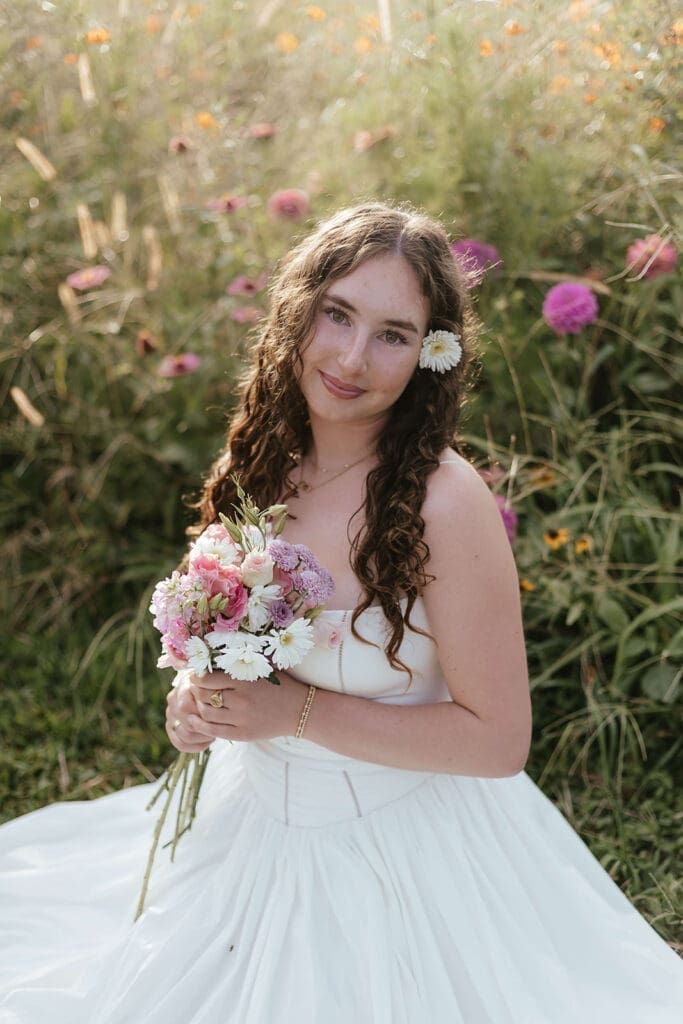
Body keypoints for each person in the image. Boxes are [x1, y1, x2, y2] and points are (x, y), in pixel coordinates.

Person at [0, 202, 681, 1023]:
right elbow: (230, 630)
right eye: (337, 314)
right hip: (250, 822)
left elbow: (499, 740)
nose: (352, 358)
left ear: (431, 354)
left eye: (393, 334)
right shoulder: (261, 456)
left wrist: (295, 711)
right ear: (299, 311)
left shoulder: (443, 504)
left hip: (404, 847)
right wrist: (199, 699)